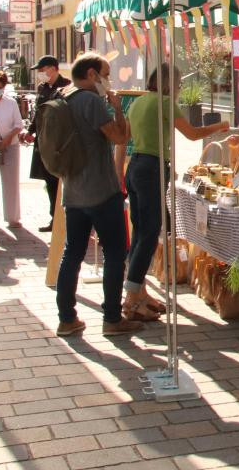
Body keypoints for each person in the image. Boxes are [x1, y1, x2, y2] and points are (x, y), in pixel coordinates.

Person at [125, 65, 230, 320]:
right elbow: (192, 134)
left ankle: (136, 291)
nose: (180, 89)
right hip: (151, 166)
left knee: (140, 231)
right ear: (169, 84)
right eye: (179, 85)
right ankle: (131, 298)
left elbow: (126, 137)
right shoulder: (164, 102)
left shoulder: (137, 103)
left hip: (136, 164)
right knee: (150, 232)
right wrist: (220, 127)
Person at [54, 52, 141, 338]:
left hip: (74, 192)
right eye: (105, 74)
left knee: (72, 254)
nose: (108, 79)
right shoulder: (91, 100)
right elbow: (119, 137)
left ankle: (67, 317)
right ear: (92, 74)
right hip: (102, 192)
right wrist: (117, 108)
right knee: (116, 254)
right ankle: (112, 318)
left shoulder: (65, 98)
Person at [21, 56, 70, 233]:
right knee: (49, 182)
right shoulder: (42, 88)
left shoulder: (67, 86)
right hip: (43, 142)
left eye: (42, 70)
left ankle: (65, 219)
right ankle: (54, 218)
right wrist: (30, 131)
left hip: (59, 143)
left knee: (60, 182)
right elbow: (39, 114)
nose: (40, 74)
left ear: (53, 68)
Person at [0, 70, 24, 229]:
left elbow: (18, 125)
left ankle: (13, 217)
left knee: (11, 182)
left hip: (10, 146)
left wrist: (8, 138)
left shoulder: (11, 102)